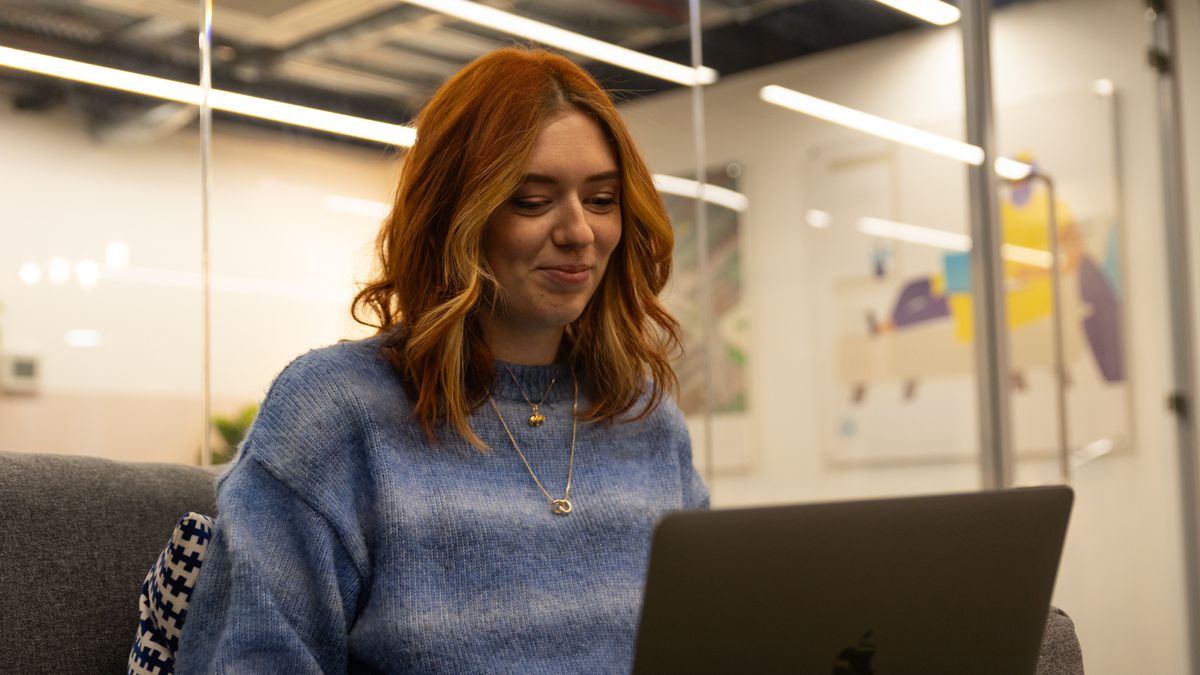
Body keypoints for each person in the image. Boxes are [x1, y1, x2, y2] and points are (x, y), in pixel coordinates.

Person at [174, 46, 708, 674]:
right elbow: (252, 661)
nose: (579, 232)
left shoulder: (647, 418)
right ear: (455, 216)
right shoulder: (335, 411)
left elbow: (707, 642)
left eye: (601, 200)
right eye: (532, 201)